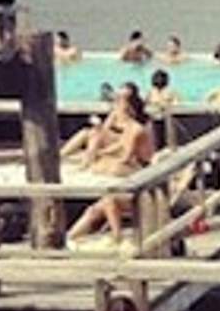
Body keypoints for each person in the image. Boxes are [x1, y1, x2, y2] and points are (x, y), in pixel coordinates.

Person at [67, 85, 158, 244]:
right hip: (127, 170)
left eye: (120, 102)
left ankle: (117, 238)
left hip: (141, 175)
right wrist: (100, 153)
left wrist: (103, 158)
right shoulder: (126, 124)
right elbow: (117, 144)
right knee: (94, 209)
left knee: (108, 197)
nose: (117, 106)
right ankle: (68, 238)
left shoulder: (136, 129)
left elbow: (126, 156)